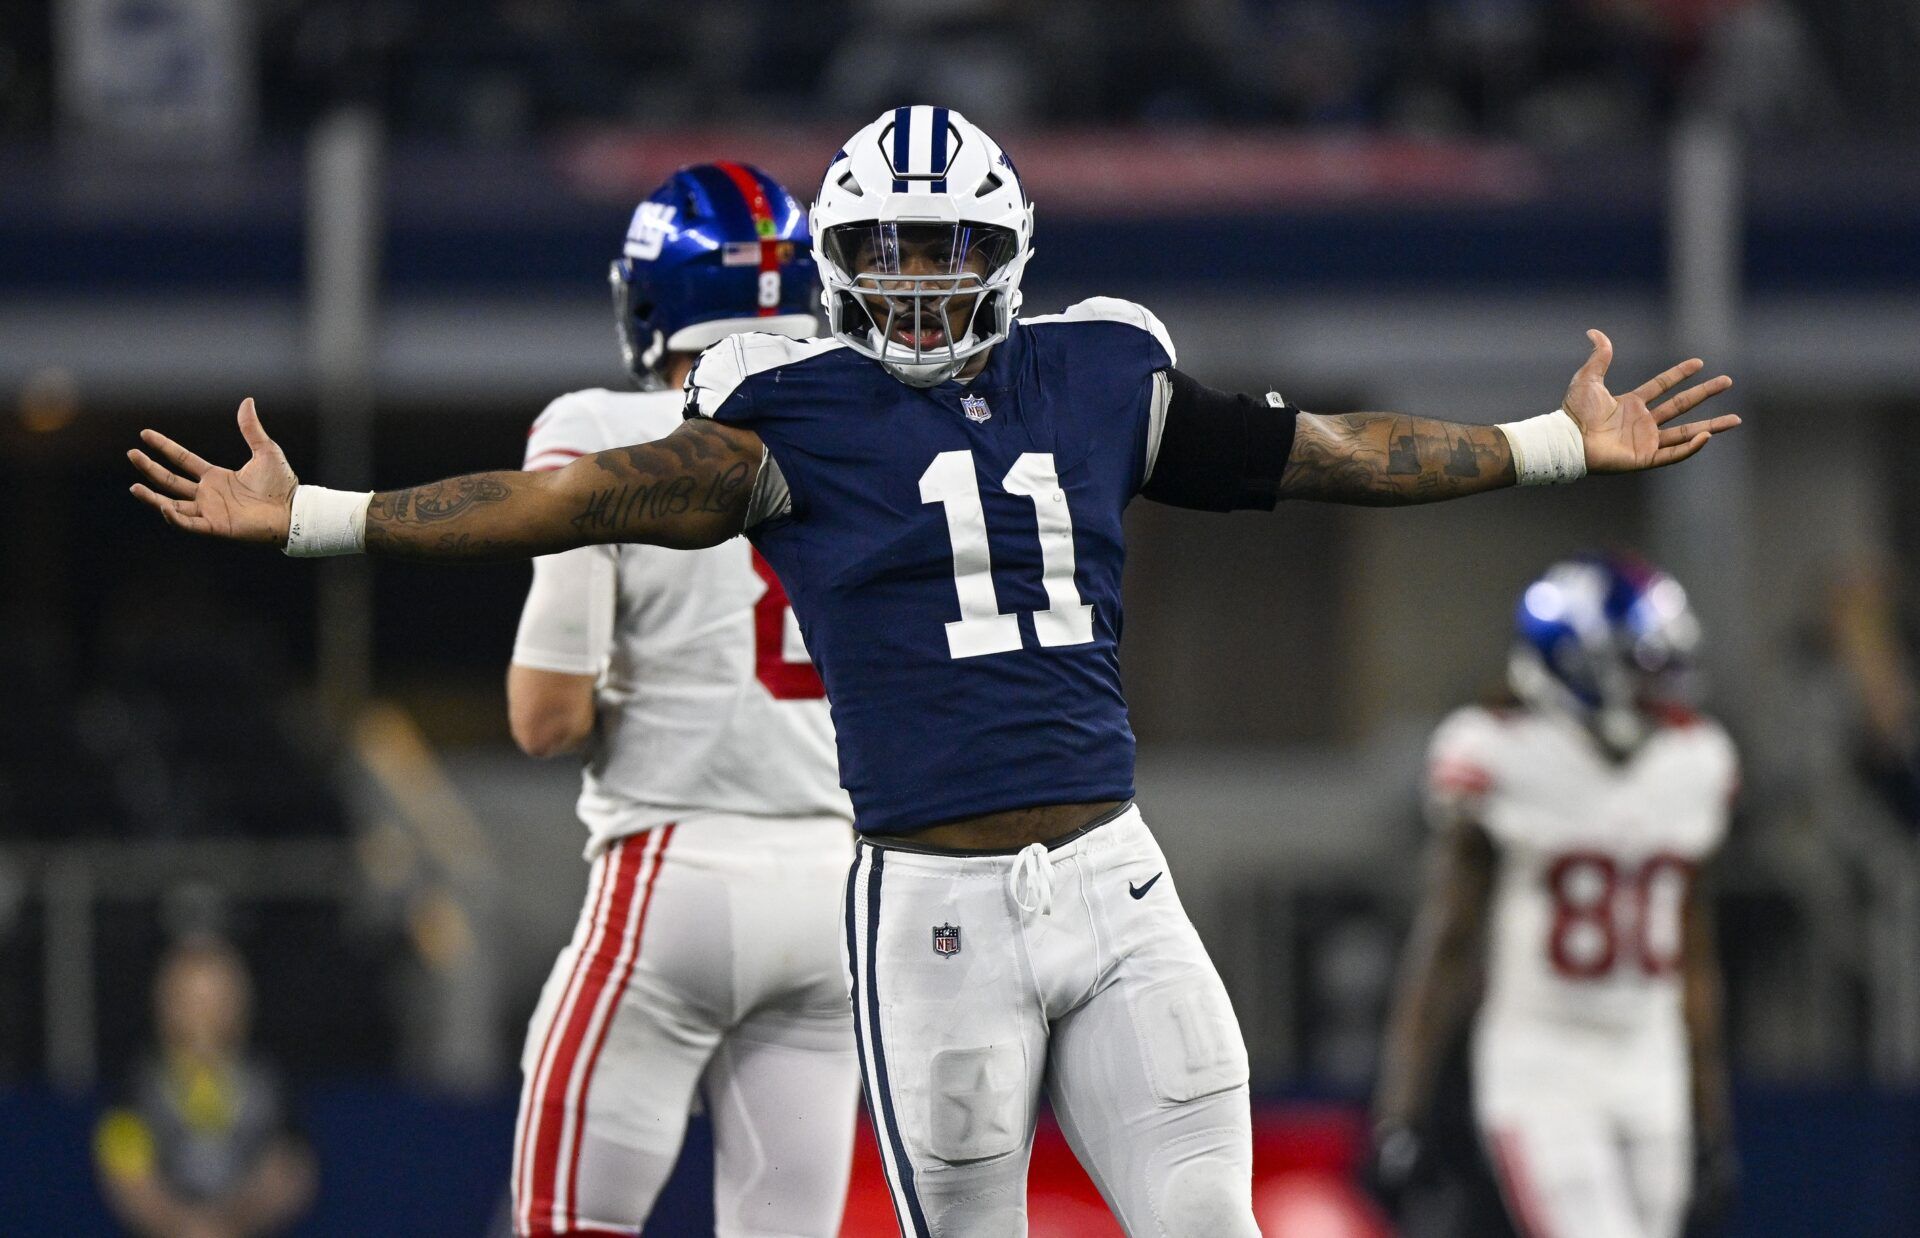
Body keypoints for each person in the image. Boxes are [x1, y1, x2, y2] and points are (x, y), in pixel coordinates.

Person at [128, 105, 1738, 1236]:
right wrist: (323, 517)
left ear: (1008, 251)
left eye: (940, 245)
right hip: (924, 911)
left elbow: (1330, 449)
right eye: (882, 246)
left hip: (1114, 883)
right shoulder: (795, 409)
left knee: (1207, 1217)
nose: (908, 276)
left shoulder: (1105, 368)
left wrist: (1543, 443)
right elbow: (571, 495)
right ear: (834, 258)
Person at [504, 162, 861, 1238]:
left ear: (650, 299)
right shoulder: (869, 427)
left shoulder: (595, 425)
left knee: (565, 1221)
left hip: (674, 874)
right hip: (843, 890)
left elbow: (545, 715)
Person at [1370, 555, 1739, 1238]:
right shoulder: (1501, 754)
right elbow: (1447, 939)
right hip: (1542, 1060)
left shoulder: (1695, 763)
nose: (1661, 692)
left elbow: (1692, 949)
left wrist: (1711, 1108)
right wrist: (1401, 1109)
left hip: (1650, 1050)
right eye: (1639, 669)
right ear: (1577, 665)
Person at [93, 935, 316, 1238]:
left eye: (215, 998)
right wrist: (183, 1225)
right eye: (190, 999)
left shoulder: (267, 1083)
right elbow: (125, 1175)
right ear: (166, 1001)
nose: (203, 1014)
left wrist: (232, 1221)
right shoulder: (137, 1085)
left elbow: (292, 1168)